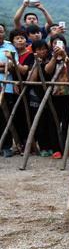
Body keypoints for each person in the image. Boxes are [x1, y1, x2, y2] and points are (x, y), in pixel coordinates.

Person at [42, 35, 69, 159]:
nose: (57, 45)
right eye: (54, 43)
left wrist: (64, 57)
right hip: (53, 93)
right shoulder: (48, 55)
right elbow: (47, 70)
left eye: (60, 42)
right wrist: (54, 57)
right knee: (54, 121)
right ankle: (56, 148)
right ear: (51, 44)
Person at [0, 24, 18, 157]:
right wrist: (4, 65)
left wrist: (7, 65)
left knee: (5, 117)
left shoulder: (10, 47)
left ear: (4, 33)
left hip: (7, 86)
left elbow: (13, 65)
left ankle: (6, 146)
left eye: (0, 31)